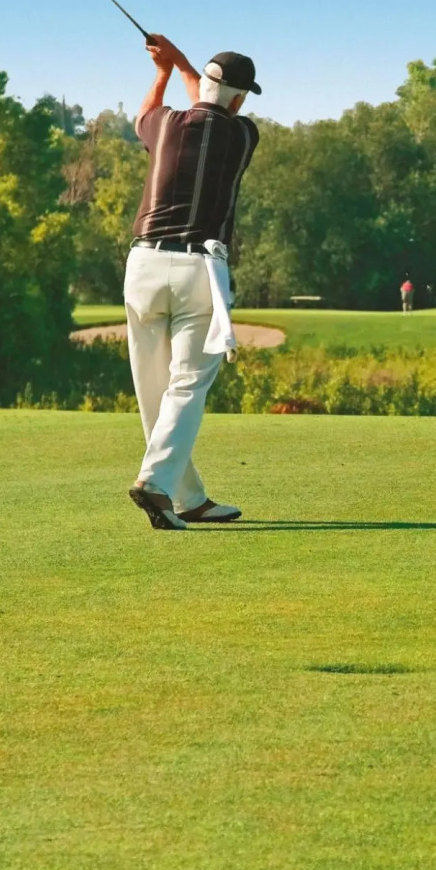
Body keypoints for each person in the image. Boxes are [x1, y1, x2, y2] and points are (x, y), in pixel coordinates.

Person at [124, 34, 262, 530]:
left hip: (141, 267)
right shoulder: (243, 134)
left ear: (202, 84)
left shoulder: (161, 125)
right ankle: (155, 484)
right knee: (185, 386)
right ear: (242, 98)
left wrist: (164, 69)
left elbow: (160, 109)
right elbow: (211, 109)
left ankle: (188, 498)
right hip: (198, 269)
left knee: (155, 390)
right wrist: (179, 63)